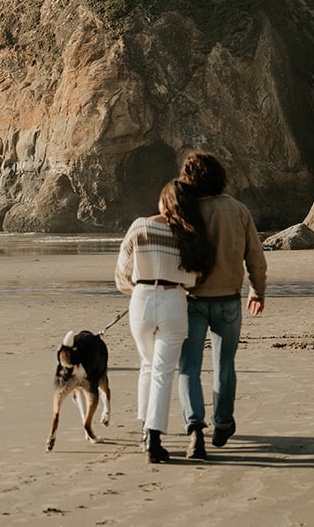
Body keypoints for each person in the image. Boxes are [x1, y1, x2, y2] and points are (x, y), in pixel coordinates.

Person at [114, 179, 211, 463]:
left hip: (142, 298)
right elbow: (194, 278)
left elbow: (122, 271)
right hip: (174, 300)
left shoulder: (140, 226)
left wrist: (139, 289)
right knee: (163, 371)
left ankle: (147, 431)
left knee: (147, 364)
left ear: (163, 202)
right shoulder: (191, 234)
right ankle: (153, 436)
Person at [176, 152, 266, 459]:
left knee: (188, 366)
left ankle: (194, 429)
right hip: (228, 299)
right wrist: (257, 290)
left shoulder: (185, 209)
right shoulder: (238, 210)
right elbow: (255, 256)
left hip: (192, 300)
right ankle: (223, 423)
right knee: (224, 365)